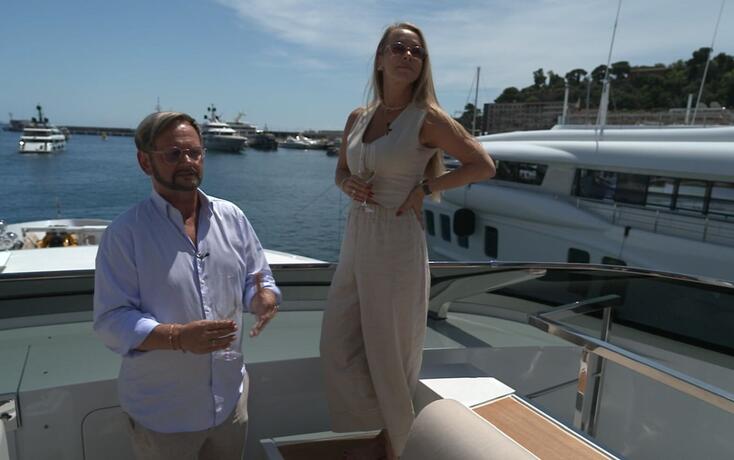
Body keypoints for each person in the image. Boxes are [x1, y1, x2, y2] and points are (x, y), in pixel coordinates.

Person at [320, 22, 496, 459]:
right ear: (380, 58)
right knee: (337, 343)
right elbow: (341, 170)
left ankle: (398, 445)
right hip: (357, 235)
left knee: (390, 354)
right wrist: (347, 185)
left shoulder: (427, 118)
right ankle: (380, 431)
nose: (408, 56)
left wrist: (426, 188)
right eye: (398, 48)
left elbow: (482, 164)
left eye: (417, 52)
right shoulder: (358, 118)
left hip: (397, 238)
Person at [93, 111, 280, 460]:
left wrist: (263, 298)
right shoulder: (125, 234)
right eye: (174, 154)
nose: (188, 161)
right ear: (145, 162)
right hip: (163, 416)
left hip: (230, 402)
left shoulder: (232, 217)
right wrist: (178, 337)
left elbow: (258, 277)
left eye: (194, 152)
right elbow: (110, 321)